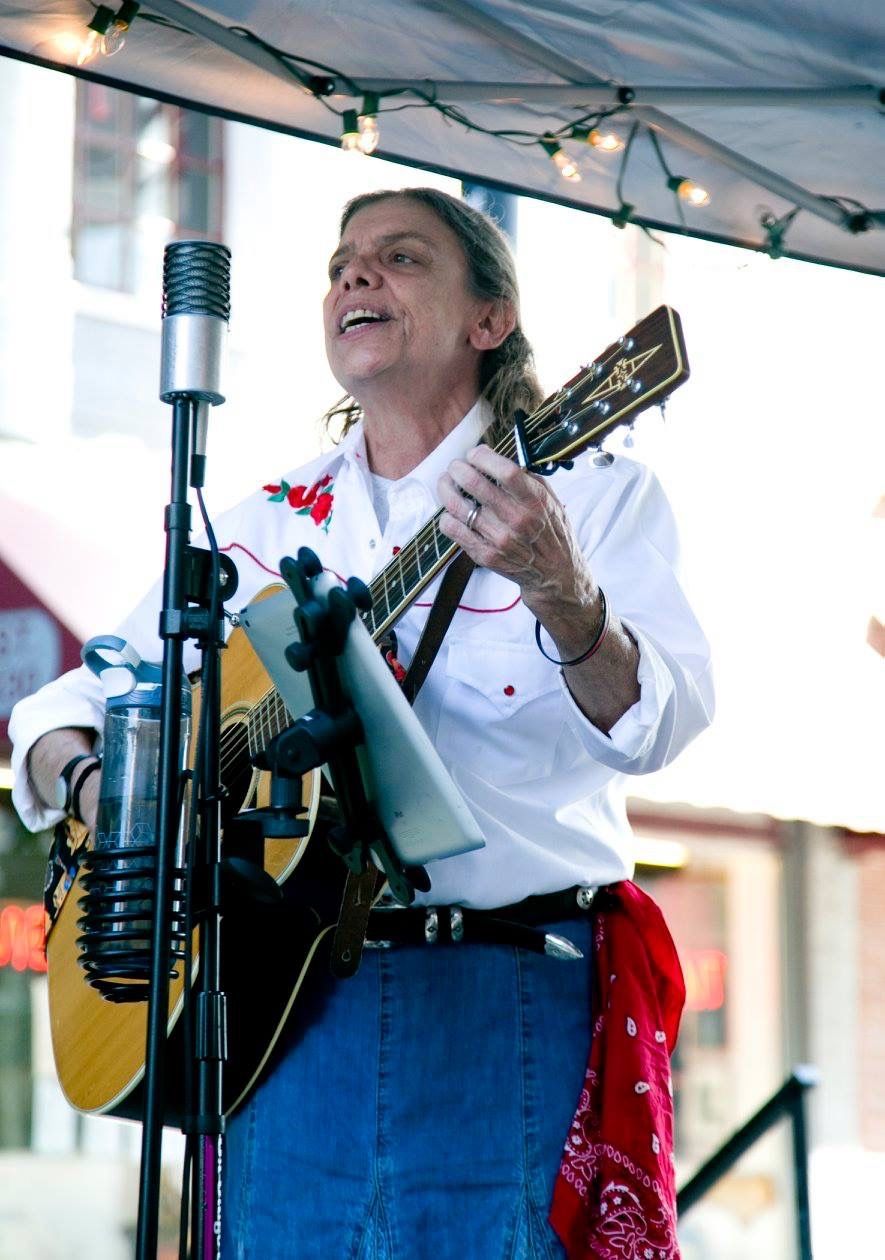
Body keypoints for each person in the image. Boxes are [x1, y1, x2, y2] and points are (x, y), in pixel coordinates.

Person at [10, 187, 713, 1259]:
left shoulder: (592, 497)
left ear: (490, 319)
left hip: (505, 998)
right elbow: (69, 704)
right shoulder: (262, 523)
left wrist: (563, 591)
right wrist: (112, 795)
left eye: (402, 257)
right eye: (342, 263)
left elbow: (656, 726)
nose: (354, 275)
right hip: (286, 1011)